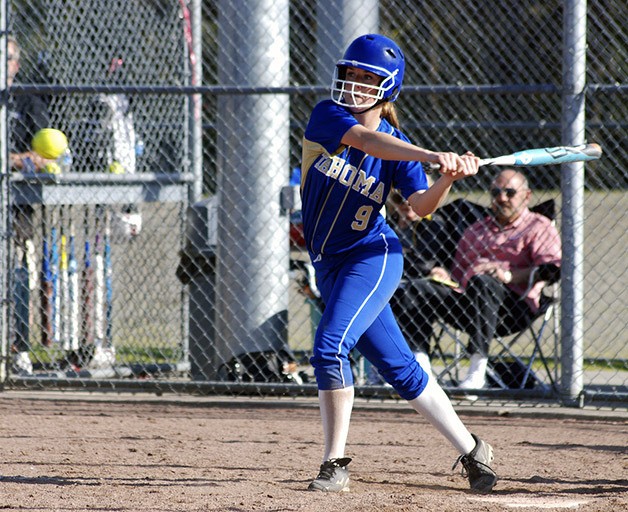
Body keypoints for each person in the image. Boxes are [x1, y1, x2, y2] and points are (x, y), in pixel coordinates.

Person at [300, 34, 497, 494]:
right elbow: (368, 141)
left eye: (367, 78)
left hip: (373, 256)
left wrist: (446, 177)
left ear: (387, 87)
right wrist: (432, 155)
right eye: (351, 74)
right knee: (400, 368)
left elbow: (422, 206)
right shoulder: (327, 117)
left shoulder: (399, 145)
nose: (354, 83)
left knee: (329, 348)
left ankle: (335, 464)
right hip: (329, 265)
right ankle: (473, 449)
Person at [395, 169, 562, 389]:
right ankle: (420, 370)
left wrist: (509, 274)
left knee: (483, 281)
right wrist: (443, 275)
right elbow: (459, 274)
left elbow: (552, 269)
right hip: (467, 302)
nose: (501, 198)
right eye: (496, 192)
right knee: (417, 288)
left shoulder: (538, 226)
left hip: (513, 307)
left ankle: (476, 372)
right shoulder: (476, 229)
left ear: (527, 195)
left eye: (509, 192)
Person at [7, 36, 52, 375]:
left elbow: (44, 154)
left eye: (7, 58)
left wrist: (12, 159)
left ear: (17, 64)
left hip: (17, 203)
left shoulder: (28, 99)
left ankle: (18, 348)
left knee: (19, 271)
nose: (2, 64)